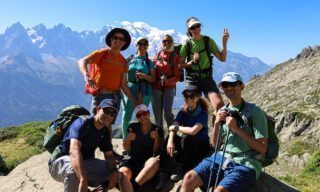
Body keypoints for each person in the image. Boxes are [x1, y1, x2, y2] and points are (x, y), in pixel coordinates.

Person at [180, 72, 268, 192]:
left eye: (233, 84)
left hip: (247, 162)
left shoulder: (255, 112)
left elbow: (262, 148)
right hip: (222, 157)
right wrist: (216, 124)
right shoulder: (222, 111)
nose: (229, 88)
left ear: (241, 86)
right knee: (188, 178)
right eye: (225, 85)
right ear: (222, 88)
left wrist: (236, 129)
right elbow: (215, 145)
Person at [49, 99, 119, 192]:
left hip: (86, 162)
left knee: (119, 173)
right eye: (106, 111)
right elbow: (74, 150)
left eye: (112, 114)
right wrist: (83, 179)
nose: (108, 116)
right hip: (59, 163)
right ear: (98, 109)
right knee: (74, 170)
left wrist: (114, 171)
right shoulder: (82, 123)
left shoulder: (104, 131)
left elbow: (109, 156)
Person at [78, 28, 137, 116]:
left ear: (124, 43)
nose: (118, 40)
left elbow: (123, 84)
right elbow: (82, 61)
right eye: (115, 37)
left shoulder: (124, 62)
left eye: (121, 39)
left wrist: (134, 100)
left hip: (116, 97)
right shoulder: (102, 53)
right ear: (111, 39)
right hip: (100, 96)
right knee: (95, 123)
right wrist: (86, 75)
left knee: (108, 125)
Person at [159, 85, 211, 183]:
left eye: (192, 96)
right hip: (187, 145)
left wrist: (176, 127)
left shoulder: (202, 113)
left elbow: (193, 131)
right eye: (186, 96)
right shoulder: (182, 112)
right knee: (171, 138)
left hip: (201, 146)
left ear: (198, 97)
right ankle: (161, 169)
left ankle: (182, 167)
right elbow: (173, 128)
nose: (188, 99)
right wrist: (170, 141)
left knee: (188, 136)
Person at [179, 17, 230, 115]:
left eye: (198, 26)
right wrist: (191, 62)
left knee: (220, 107)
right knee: (191, 109)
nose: (196, 29)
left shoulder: (208, 41)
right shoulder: (187, 45)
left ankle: (216, 129)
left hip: (207, 79)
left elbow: (222, 58)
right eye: (193, 27)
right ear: (189, 30)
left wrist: (224, 42)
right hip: (192, 80)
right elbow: (180, 65)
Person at [118, 104, 164, 192]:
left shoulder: (157, 129)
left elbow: (156, 151)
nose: (142, 117)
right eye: (139, 115)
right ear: (136, 117)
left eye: (144, 113)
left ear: (149, 113)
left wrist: (157, 138)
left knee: (154, 162)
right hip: (131, 160)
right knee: (122, 174)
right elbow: (126, 149)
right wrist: (128, 138)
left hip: (147, 162)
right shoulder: (132, 127)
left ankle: (133, 187)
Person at [121, 37, 156, 139]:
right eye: (140, 44)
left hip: (145, 92)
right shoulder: (130, 59)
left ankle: (140, 141)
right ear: (136, 46)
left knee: (143, 117)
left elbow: (153, 79)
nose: (142, 46)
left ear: (147, 46)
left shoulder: (150, 62)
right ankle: (126, 141)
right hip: (130, 90)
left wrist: (144, 76)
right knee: (126, 116)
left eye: (145, 44)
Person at [151, 34, 180, 130]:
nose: (166, 43)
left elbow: (177, 76)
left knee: (167, 113)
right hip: (156, 87)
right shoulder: (158, 54)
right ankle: (159, 140)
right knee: (157, 115)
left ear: (172, 43)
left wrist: (167, 81)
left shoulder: (174, 56)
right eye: (164, 41)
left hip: (169, 87)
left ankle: (173, 138)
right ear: (161, 43)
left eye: (169, 41)